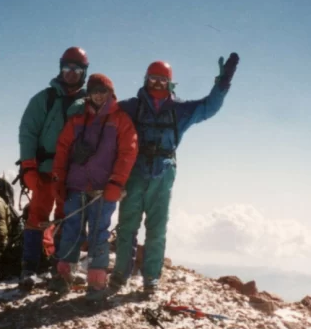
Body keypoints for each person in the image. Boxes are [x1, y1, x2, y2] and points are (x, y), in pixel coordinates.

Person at [110, 53, 240, 292]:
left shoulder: (180, 111)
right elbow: (106, 113)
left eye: (161, 81)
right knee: (128, 225)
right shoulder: (131, 107)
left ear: (170, 83)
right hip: (135, 171)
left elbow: (208, 107)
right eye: (152, 80)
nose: (156, 85)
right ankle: (120, 274)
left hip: (163, 171)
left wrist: (222, 84)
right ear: (145, 80)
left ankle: (151, 278)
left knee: (157, 227)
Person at [50, 74, 138, 302]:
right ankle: (63, 277)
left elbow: (128, 152)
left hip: (103, 190)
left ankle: (96, 283)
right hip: (76, 186)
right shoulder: (77, 121)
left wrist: (116, 183)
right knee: (71, 231)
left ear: (110, 93)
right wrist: (59, 180)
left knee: (99, 236)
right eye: (94, 91)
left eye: (103, 91)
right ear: (88, 94)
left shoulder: (121, 120)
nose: (98, 95)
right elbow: (62, 149)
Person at [18, 47, 89, 289]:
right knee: (37, 216)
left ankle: (58, 267)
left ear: (84, 72)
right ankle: (29, 267)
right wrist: (28, 166)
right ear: (60, 68)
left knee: (65, 218)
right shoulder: (44, 99)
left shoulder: (90, 101)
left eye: (76, 69)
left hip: (72, 173)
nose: (71, 73)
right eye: (67, 68)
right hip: (45, 169)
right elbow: (28, 132)